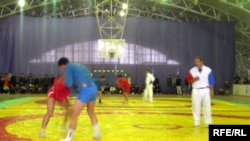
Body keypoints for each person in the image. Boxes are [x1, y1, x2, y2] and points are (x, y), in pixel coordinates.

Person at [58, 57, 100, 141]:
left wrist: (63, 82)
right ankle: (97, 133)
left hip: (86, 90)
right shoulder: (81, 66)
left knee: (73, 114)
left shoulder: (68, 67)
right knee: (91, 112)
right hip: (94, 88)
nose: (62, 70)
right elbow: (81, 80)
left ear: (62, 65)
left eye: (61, 68)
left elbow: (69, 83)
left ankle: (68, 138)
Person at [186, 56, 215, 127]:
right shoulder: (192, 70)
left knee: (207, 106)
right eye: (195, 62)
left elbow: (211, 81)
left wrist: (212, 90)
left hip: (205, 89)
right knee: (195, 106)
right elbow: (188, 81)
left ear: (202, 62)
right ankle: (196, 122)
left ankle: (208, 122)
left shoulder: (208, 70)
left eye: (197, 61)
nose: (196, 63)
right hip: (196, 90)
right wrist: (194, 79)